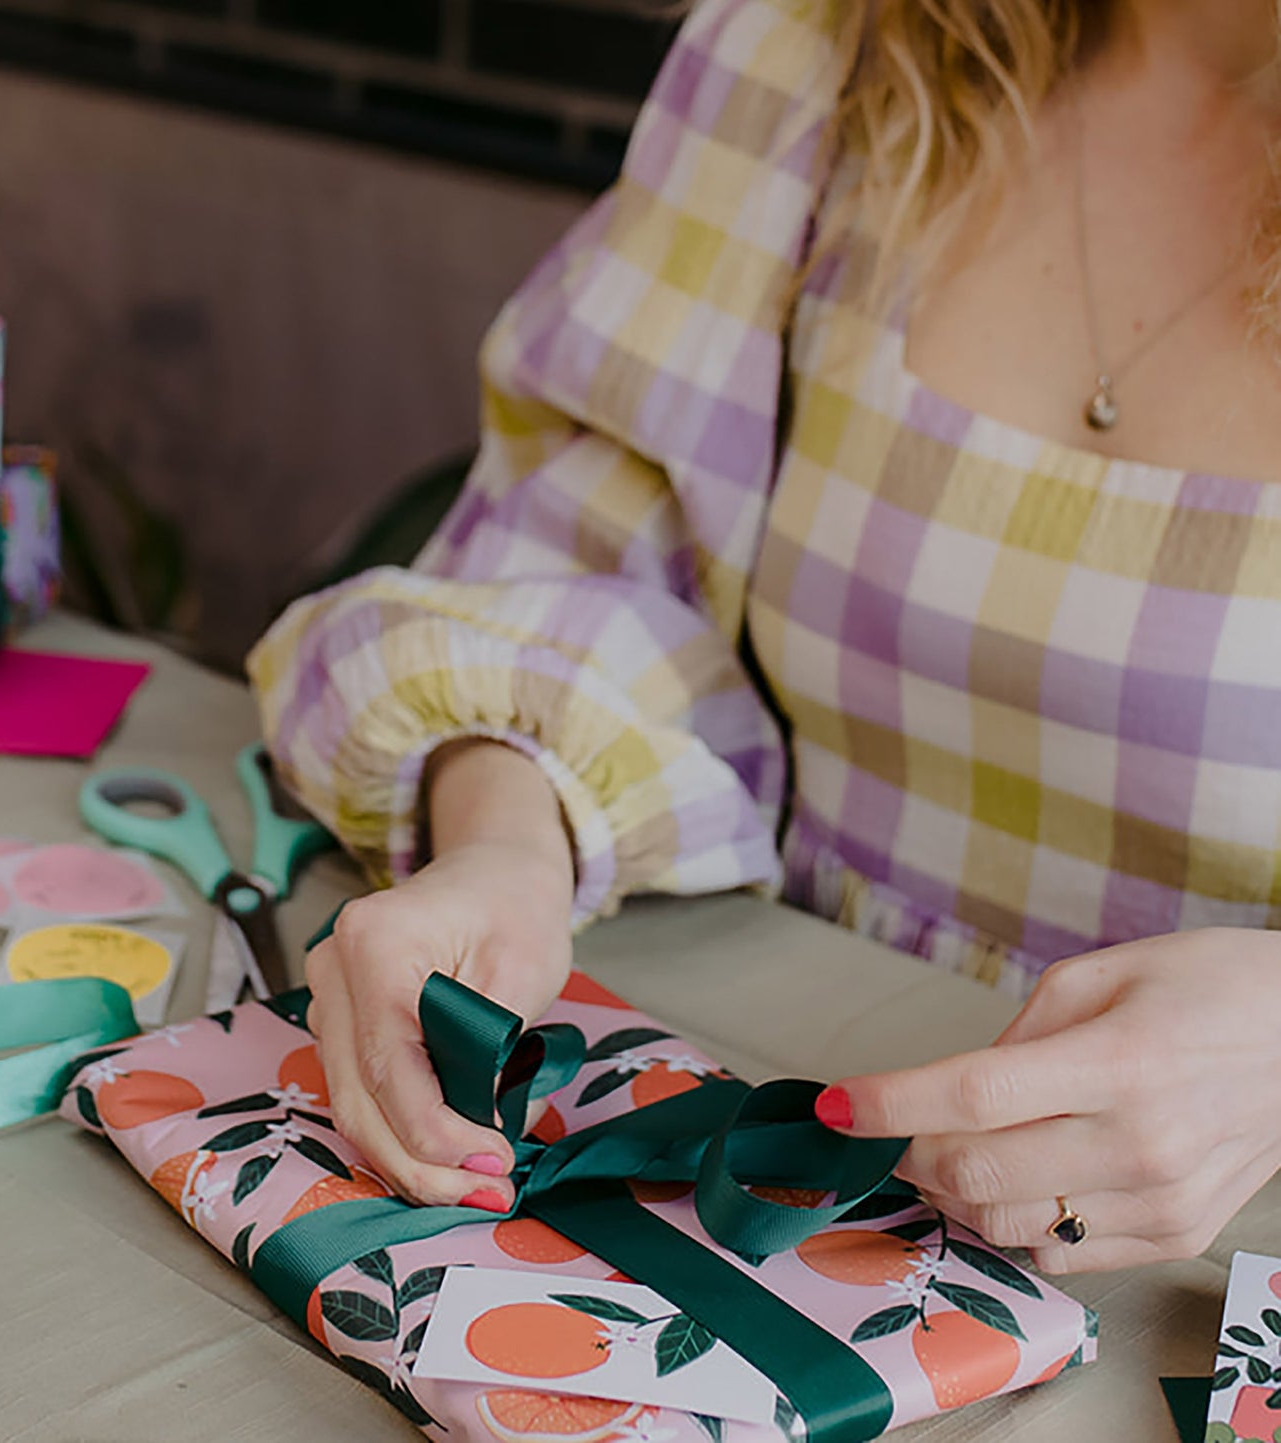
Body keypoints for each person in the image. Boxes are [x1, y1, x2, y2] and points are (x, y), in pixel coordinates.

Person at [248, 0, 1281, 1274]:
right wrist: (507, 837)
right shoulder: (819, 53)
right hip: (761, 1097)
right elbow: (597, 542)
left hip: (1207, 1262)